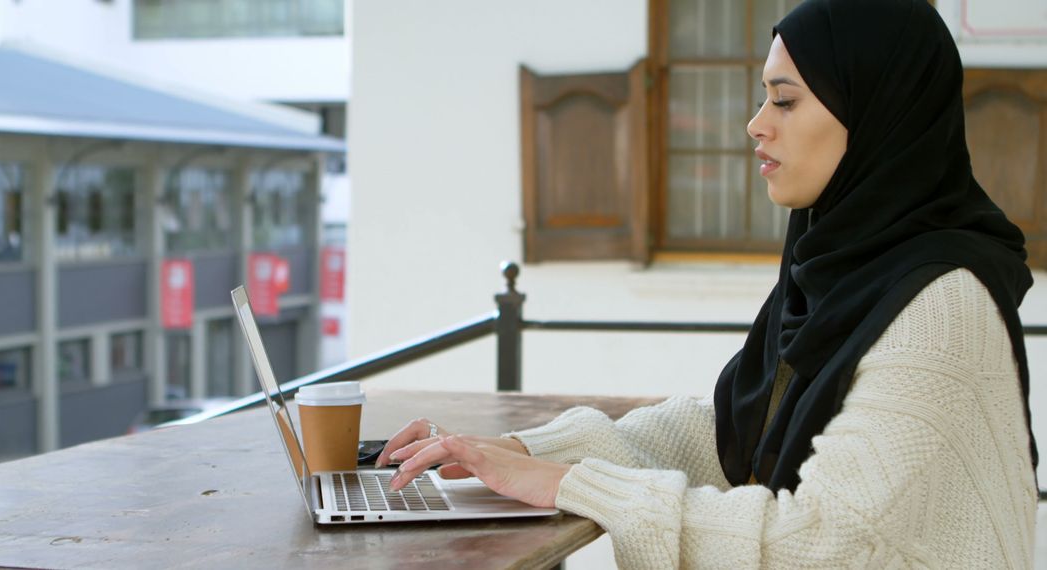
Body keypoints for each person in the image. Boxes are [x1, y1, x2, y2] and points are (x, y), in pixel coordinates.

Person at [378, 0, 1040, 566]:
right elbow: (731, 436)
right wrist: (516, 452)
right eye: (763, 97)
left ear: (876, 114)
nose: (756, 122)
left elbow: (830, 544)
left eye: (784, 99)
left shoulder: (942, 306)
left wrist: (571, 483)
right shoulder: (840, 264)